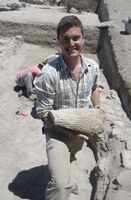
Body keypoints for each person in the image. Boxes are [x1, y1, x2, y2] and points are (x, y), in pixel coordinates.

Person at [34, 15, 100, 200]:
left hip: (80, 129)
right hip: (57, 132)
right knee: (60, 186)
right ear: (58, 41)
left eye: (75, 38)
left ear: (83, 38)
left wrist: (97, 108)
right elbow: (44, 113)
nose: (71, 44)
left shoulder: (92, 67)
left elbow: (95, 87)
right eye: (65, 39)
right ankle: (65, 183)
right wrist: (70, 133)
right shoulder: (48, 74)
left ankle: (69, 179)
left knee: (69, 159)